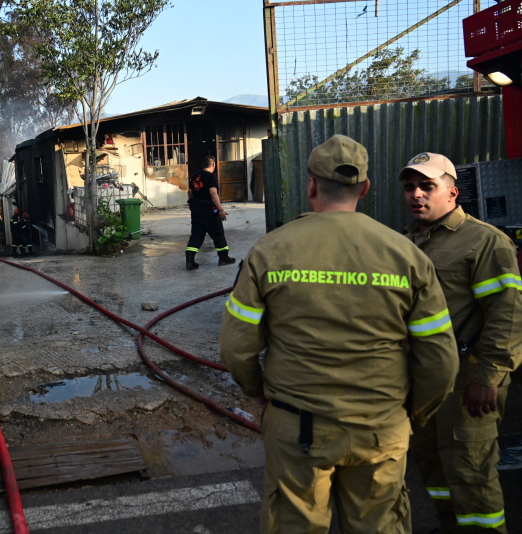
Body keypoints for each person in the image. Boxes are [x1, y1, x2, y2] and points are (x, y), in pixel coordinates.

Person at [221, 135, 459, 534]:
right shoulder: (406, 256)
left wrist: (257, 396)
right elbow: (441, 360)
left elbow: (236, 346)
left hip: (298, 427)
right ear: (365, 188)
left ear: (311, 185)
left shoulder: (269, 252)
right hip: (381, 427)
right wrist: (410, 414)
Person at [400, 152, 522, 534]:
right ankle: (449, 526)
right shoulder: (404, 243)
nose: (416, 194)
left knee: (469, 470)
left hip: (465, 381)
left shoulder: (486, 242)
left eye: (427, 186)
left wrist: (488, 378)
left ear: (452, 192)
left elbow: (508, 316)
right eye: (409, 187)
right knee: (431, 465)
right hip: (420, 382)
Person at [186, 155, 235, 270]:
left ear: (203, 165)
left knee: (197, 234)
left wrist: (191, 205)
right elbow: (213, 193)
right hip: (209, 210)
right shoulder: (211, 176)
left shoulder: (195, 176)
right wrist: (221, 210)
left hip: (196, 210)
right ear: (213, 165)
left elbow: (189, 192)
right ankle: (223, 258)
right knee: (217, 233)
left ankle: (190, 261)